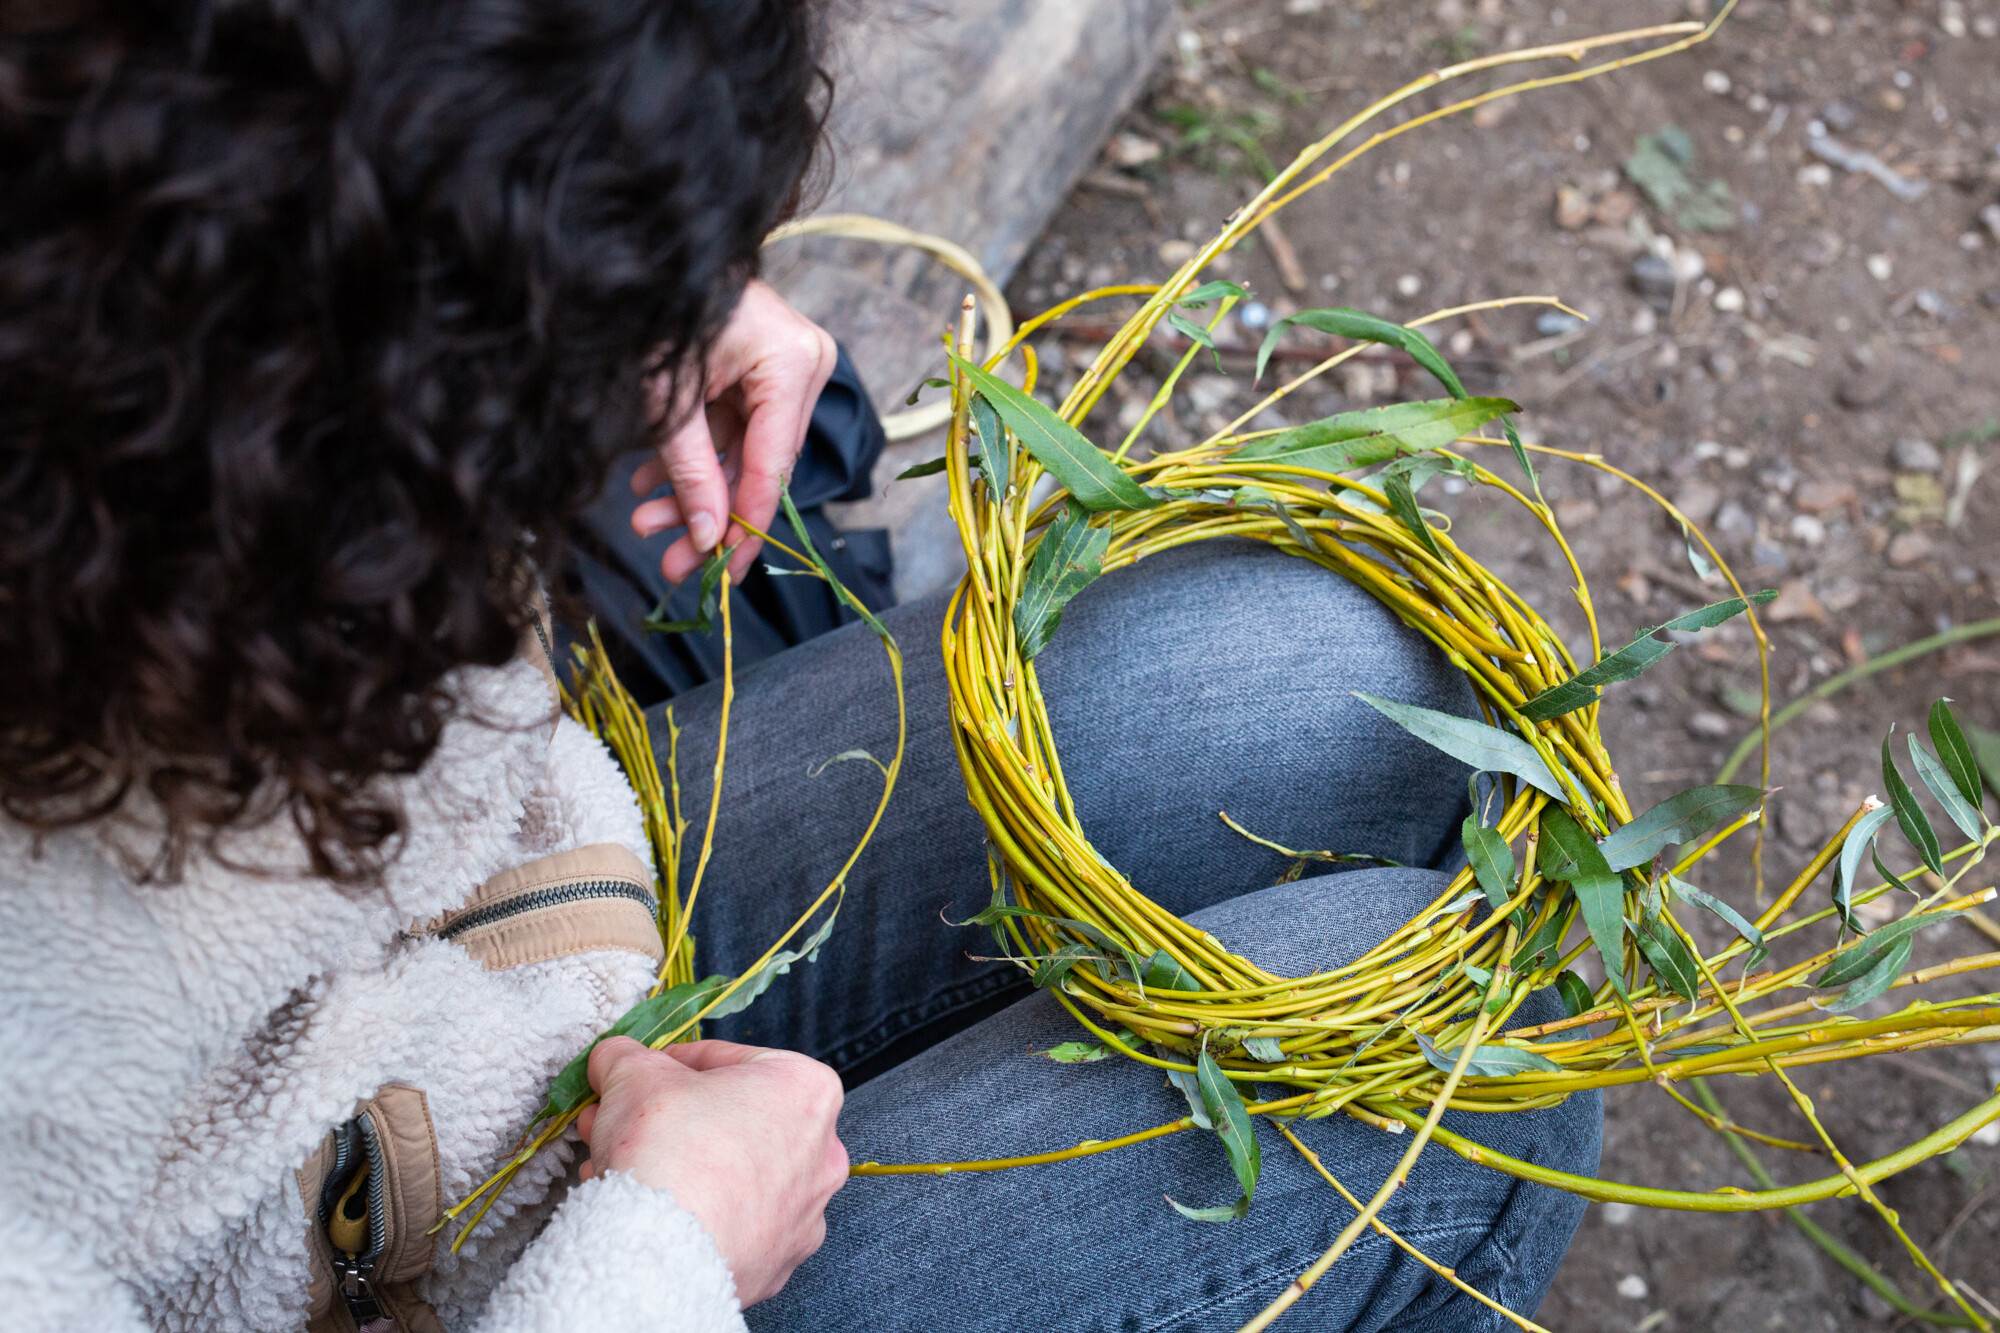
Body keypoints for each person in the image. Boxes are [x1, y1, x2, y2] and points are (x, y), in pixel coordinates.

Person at [0, 3, 1600, 1331]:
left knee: (1320, 671)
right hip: (496, 1282)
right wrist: (668, 1246)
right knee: (1482, 1103)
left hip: (497, 932)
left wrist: (594, 270)